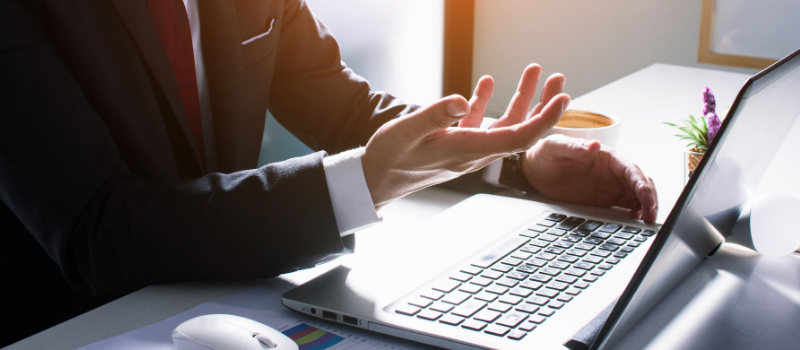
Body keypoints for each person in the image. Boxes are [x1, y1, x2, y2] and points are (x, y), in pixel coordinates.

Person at [0, 0, 657, 346]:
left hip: (214, 291)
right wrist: (360, 184)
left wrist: (515, 161)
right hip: (69, 322)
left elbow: (345, 110)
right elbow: (97, 225)